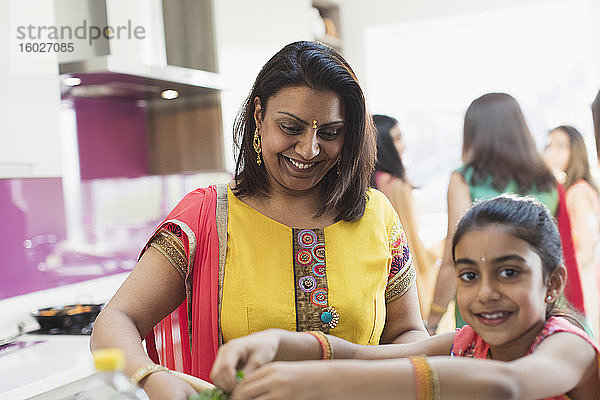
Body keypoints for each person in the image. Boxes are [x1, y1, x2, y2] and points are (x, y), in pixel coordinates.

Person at [90, 41, 427, 400]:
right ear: (259, 115)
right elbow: (114, 321)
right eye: (291, 127)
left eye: (329, 133)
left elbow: (409, 333)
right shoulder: (208, 216)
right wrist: (150, 378)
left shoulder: (377, 215)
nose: (308, 149)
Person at [210, 196, 600, 400]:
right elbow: (360, 355)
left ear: (552, 283)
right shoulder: (469, 343)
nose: (485, 293)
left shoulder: (566, 345)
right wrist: (275, 342)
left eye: (509, 272)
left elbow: (506, 385)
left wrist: (324, 384)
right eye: (468, 275)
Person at [426, 92, 584, 334]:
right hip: (540, 303)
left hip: (486, 303)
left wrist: (433, 318)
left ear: (473, 133)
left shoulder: (464, 179)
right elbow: (558, 250)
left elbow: (452, 257)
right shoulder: (548, 181)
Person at [371, 114, 437, 315]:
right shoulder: (395, 185)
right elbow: (406, 241)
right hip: (398, 274)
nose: (404, 145)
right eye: (397, 138)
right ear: (383, 144)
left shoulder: (367, 181)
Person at [545, 125, 600, 342]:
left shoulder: (577, 192)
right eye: (549, 146)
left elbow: (586, 248)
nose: (552, 153)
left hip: (583, 276)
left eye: (561, 146)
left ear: (576, 151)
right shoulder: (575, 188)